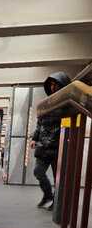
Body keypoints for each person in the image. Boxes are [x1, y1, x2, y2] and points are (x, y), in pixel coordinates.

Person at [30, 72, 71, 210]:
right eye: (51, 84)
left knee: (58, 179)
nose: (53, 87)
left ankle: (56, 203)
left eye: (56, 84)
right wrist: (35, 138)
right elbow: (39, 123)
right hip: (43, 146)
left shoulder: (67, 105)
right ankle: (48, 195)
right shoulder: (46, 104)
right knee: (38, 172)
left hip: (59, 147)